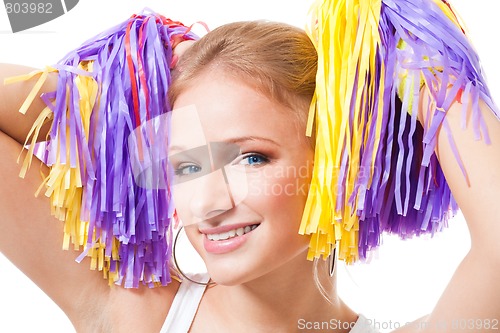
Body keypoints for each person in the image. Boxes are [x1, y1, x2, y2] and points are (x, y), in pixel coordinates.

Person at [0, 1, 499, 332]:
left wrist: (430, 70)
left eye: (251, 157)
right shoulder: (131, 310)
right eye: (187, 166)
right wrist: (119, 95)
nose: (208, 204)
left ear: (335, 164)